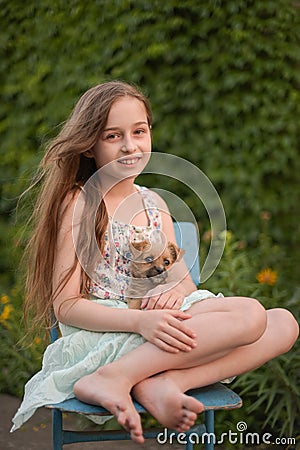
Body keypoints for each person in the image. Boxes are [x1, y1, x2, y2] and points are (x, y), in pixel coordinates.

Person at [11, 81, 298, 443]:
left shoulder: (155, 206)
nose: (130, 146)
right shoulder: (81, 202)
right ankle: (115, 375)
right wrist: (142, 320)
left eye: (139, 131)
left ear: (150, 133)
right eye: (113, 136)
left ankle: (167, 381)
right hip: (111, 333)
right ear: (89, 146)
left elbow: (186, 288)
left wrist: (170, 292)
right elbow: (66, 306)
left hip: (159, 331)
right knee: (252, 315)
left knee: (284, 323)